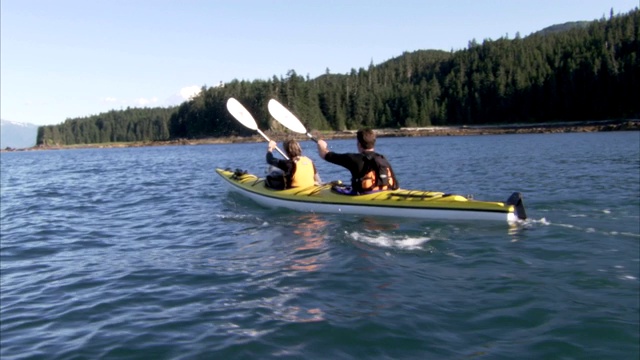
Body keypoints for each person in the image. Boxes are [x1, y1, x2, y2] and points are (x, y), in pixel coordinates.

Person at [316, 128, 399, 194]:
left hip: (364, 195)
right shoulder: (382, 158)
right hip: (385, 192)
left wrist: (321, 145)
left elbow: (325, 155)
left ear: (359, 144)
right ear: (373, 143)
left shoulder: (354, 159)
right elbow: (396, 185)